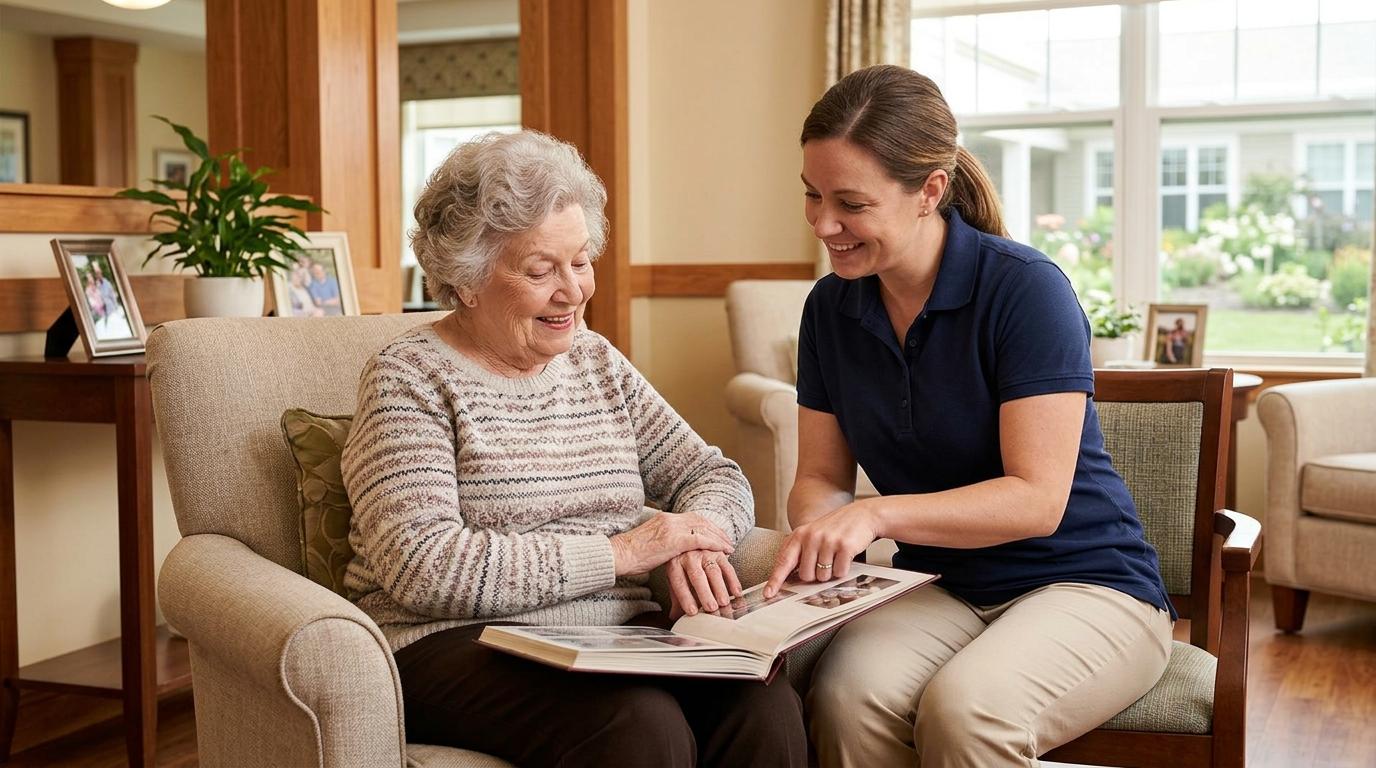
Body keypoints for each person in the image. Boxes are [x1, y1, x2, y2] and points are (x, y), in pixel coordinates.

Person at [340, 130, 806, 768]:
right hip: (454, 642)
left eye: (581, 261)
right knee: (638, 724)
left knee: (759, 699)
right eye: (541, 270)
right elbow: (424, 567)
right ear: (466, 280)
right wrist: (624, 553)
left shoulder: (596, 362)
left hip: (611, 636)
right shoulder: (409, 378)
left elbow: (711, 472)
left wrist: (697, 538)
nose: (574, 290)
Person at [762, 65, 1174, 767]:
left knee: (968, 711)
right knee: (843, 699)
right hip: (938, 588)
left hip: (1087, 584)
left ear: (930, 191)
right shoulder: (829, 310)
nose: (824, 223)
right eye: (812, 195)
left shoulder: (1025, 291)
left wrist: (876, 515)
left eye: (851, 203)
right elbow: (823, 476)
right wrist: (822, 530)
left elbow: (1037, 501)